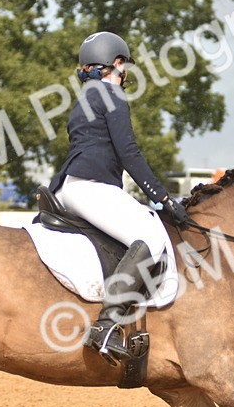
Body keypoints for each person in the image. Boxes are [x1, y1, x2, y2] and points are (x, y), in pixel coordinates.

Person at [48, 31, 191, 360]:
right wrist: (163, 198)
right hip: (91, 186)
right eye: (124, 65)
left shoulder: (84, 99)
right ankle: (106, 325)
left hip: (69, 187)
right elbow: (129, 154)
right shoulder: (111, 94)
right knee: (151, 238)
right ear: (115, 63)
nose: (125, 73)